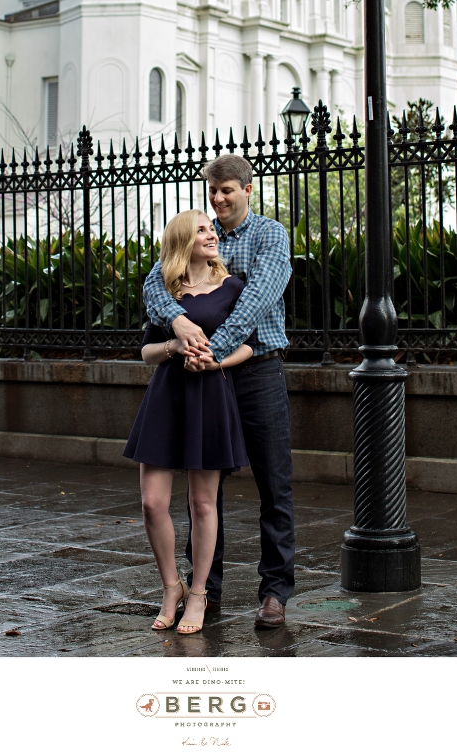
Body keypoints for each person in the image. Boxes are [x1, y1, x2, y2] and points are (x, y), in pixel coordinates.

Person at [143, 154, 294, 629]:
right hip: (198, 376)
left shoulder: (269, 235)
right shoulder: (198, 234)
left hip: (254, 371)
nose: (219, 199)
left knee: (275, 484)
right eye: (213, 191)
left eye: (227, 190)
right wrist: (177, 321)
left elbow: (256, 299)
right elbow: (155, 282)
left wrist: (211, 351)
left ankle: (274, 592)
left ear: (248, 189)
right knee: (203, 492)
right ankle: (206, 589)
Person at [124, 209, 254, 635]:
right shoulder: (165, 291)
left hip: (210, 396)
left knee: (203, 504)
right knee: (152, 503)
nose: (211, 234)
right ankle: (170, 586)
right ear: (183, 239)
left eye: (212, 228)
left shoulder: (234, 287)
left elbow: (249, 348)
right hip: (166, 398)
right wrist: (174, 346)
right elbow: (146, 353)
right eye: (201, 229)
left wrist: (215, 360)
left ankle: (198, 594)